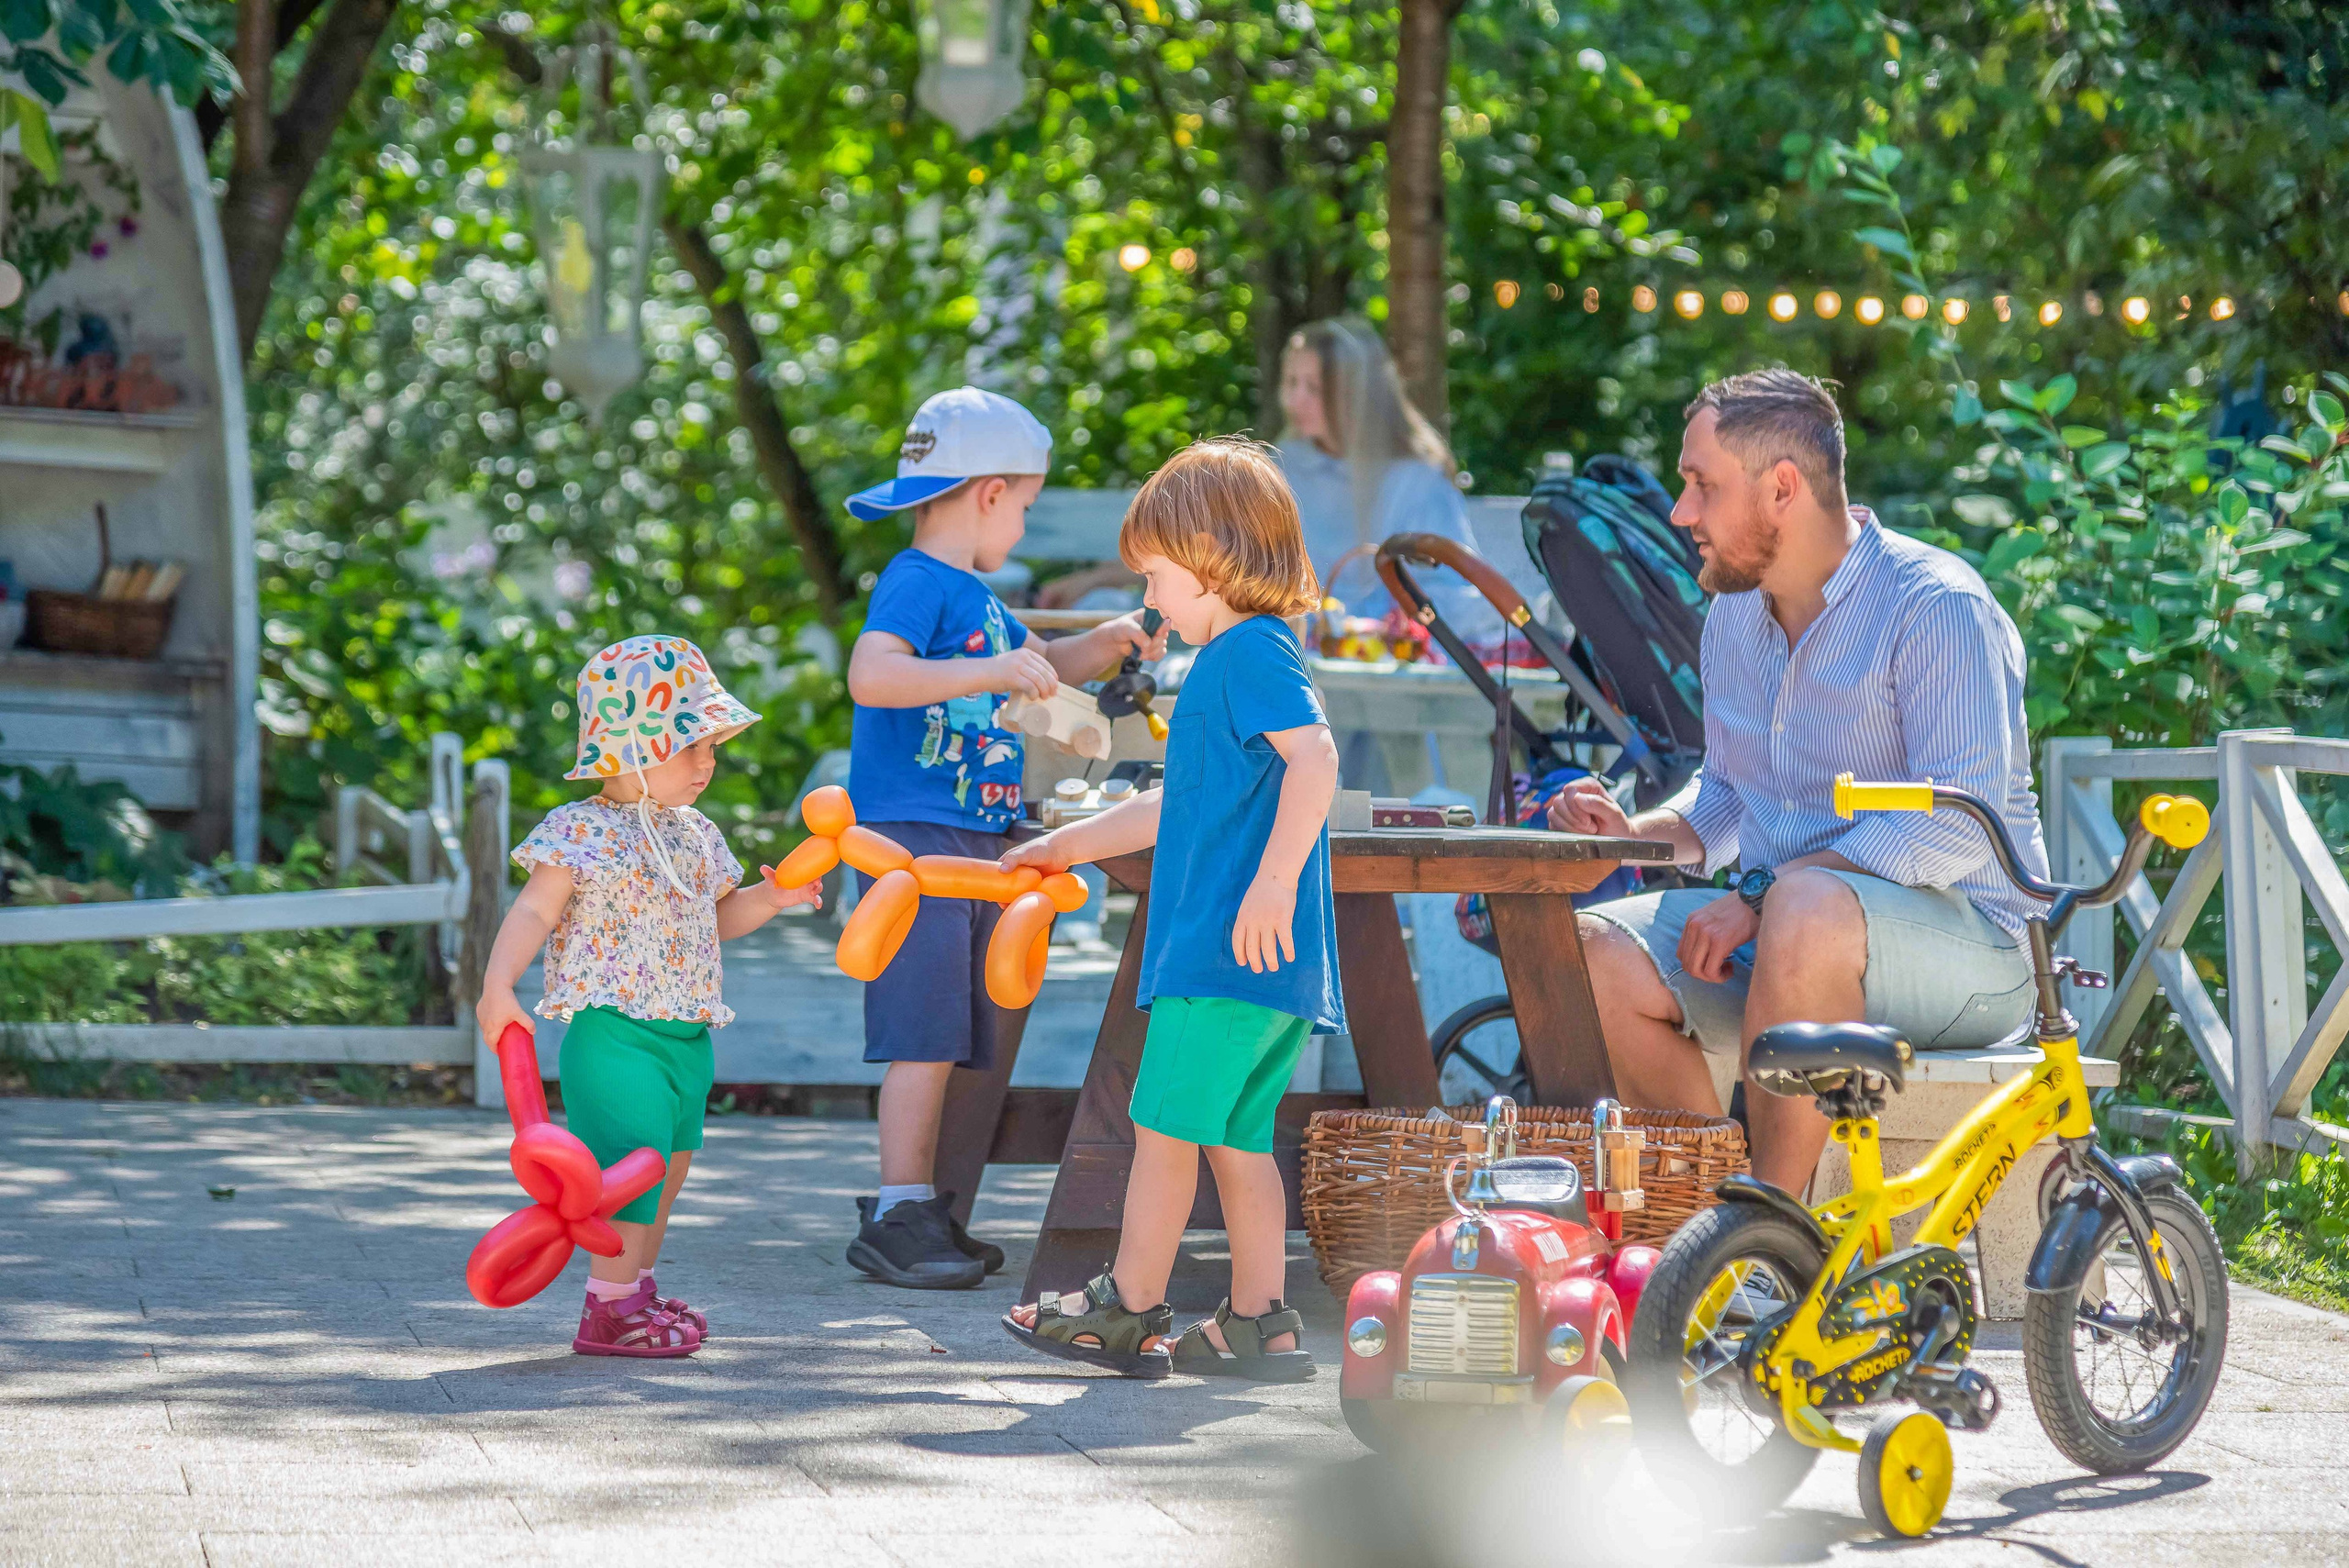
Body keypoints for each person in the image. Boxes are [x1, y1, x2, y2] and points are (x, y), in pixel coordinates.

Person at [1553, 369, 2051, 1194]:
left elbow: (1962, 822)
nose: (1681, 513)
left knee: (1803, 908)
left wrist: (1758, 893)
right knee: (1594, 950)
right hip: (1791, 930)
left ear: (1782, 487)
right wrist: (1634, 833)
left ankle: (1769, 1234)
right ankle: (1711, 1228)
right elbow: (1727, 797)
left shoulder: (1936, 605)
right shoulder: (1733, 617)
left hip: (1981, 947)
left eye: (1701, 485)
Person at [999, 436, 1341, 1381]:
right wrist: (1061, 845)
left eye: (1156, 576)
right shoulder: (1248, 657)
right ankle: (1259, 1320)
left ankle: (1128, 1304)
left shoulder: (1246, 653)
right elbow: (1173, 804)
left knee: (1162, 1131)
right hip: (1261, 968)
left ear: (1211, 556)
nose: (1148, 600)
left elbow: (1317, 761)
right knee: (1236, 1143)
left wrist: (1271, 883)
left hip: (1223, 956)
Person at [841, 385, 1165, 1289]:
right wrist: (988, 666)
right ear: (987, 492)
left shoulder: (974, 598)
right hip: (913, 840)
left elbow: (1039, 679)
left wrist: (1104, 641)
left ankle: (928, 1203)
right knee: (923, 1028)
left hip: (974, 835)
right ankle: (898, 1206)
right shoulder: (917, 583)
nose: (1021, 526)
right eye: (1022, 506)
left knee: (967, 1026)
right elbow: (873, 675)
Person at [475, 635, 825, 1357]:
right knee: (629, 1175)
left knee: (666, 1175)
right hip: (615, 1035)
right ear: (632, 745)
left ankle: (633, 1290)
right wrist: (498, 984)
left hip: (686, 1040)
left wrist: (771, 897)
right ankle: (607, 1310)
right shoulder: (581, 830)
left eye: (712, 746)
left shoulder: (695, 834)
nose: (708, 761)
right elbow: (537, 910)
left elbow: (713, 920)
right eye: (690, 743)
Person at [1276, 317, 1498, 642]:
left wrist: (1379, 624)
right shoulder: (1281, 467)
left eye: (1314, 388)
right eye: (1291, 382)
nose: (1294, 401)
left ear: (1357, 395)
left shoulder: (1417, 480)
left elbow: (1451, 595)